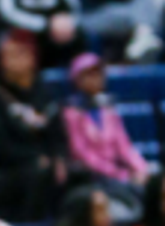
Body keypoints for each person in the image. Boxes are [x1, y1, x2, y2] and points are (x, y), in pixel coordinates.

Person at [0, 30, 64, 223]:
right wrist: (34, 158)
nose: (16, 60)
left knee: (74, 173)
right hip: (7, 169)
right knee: (37, 174)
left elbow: (59, 134)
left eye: (22, 53)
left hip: (43, 163)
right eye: (10, 54)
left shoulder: (46, 94)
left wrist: (59, 157)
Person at [62, 52, 149, 193]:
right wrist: (119, 174)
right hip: (93, 177)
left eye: (98, 74)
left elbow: (124, 145)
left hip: (118, 175)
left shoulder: (108, 110)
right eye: (89, 74)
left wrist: (141, 169)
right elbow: (82, 154)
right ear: (77, 79)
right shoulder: (72, 113)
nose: (96, 79)